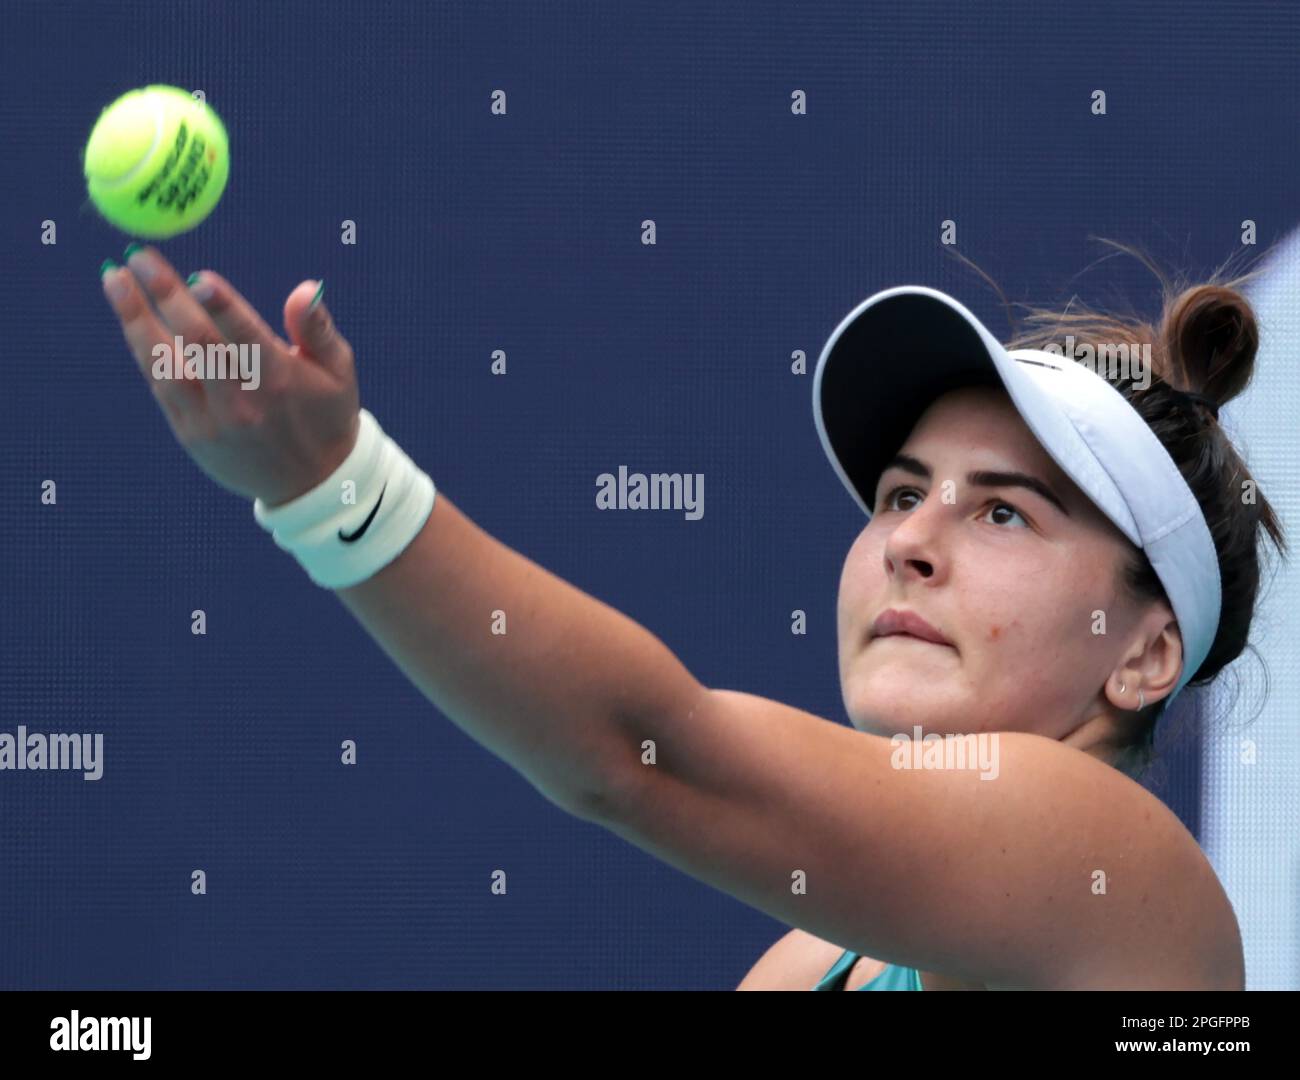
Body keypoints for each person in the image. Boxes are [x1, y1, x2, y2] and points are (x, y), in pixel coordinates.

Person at [98, 240, 1285, 990]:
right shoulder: (808, 967)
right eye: (900, 495)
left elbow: (642, 756)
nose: (908, 541)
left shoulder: (1114, 865)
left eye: (1005, 514)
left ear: (1143, 654)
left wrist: (333, 488)